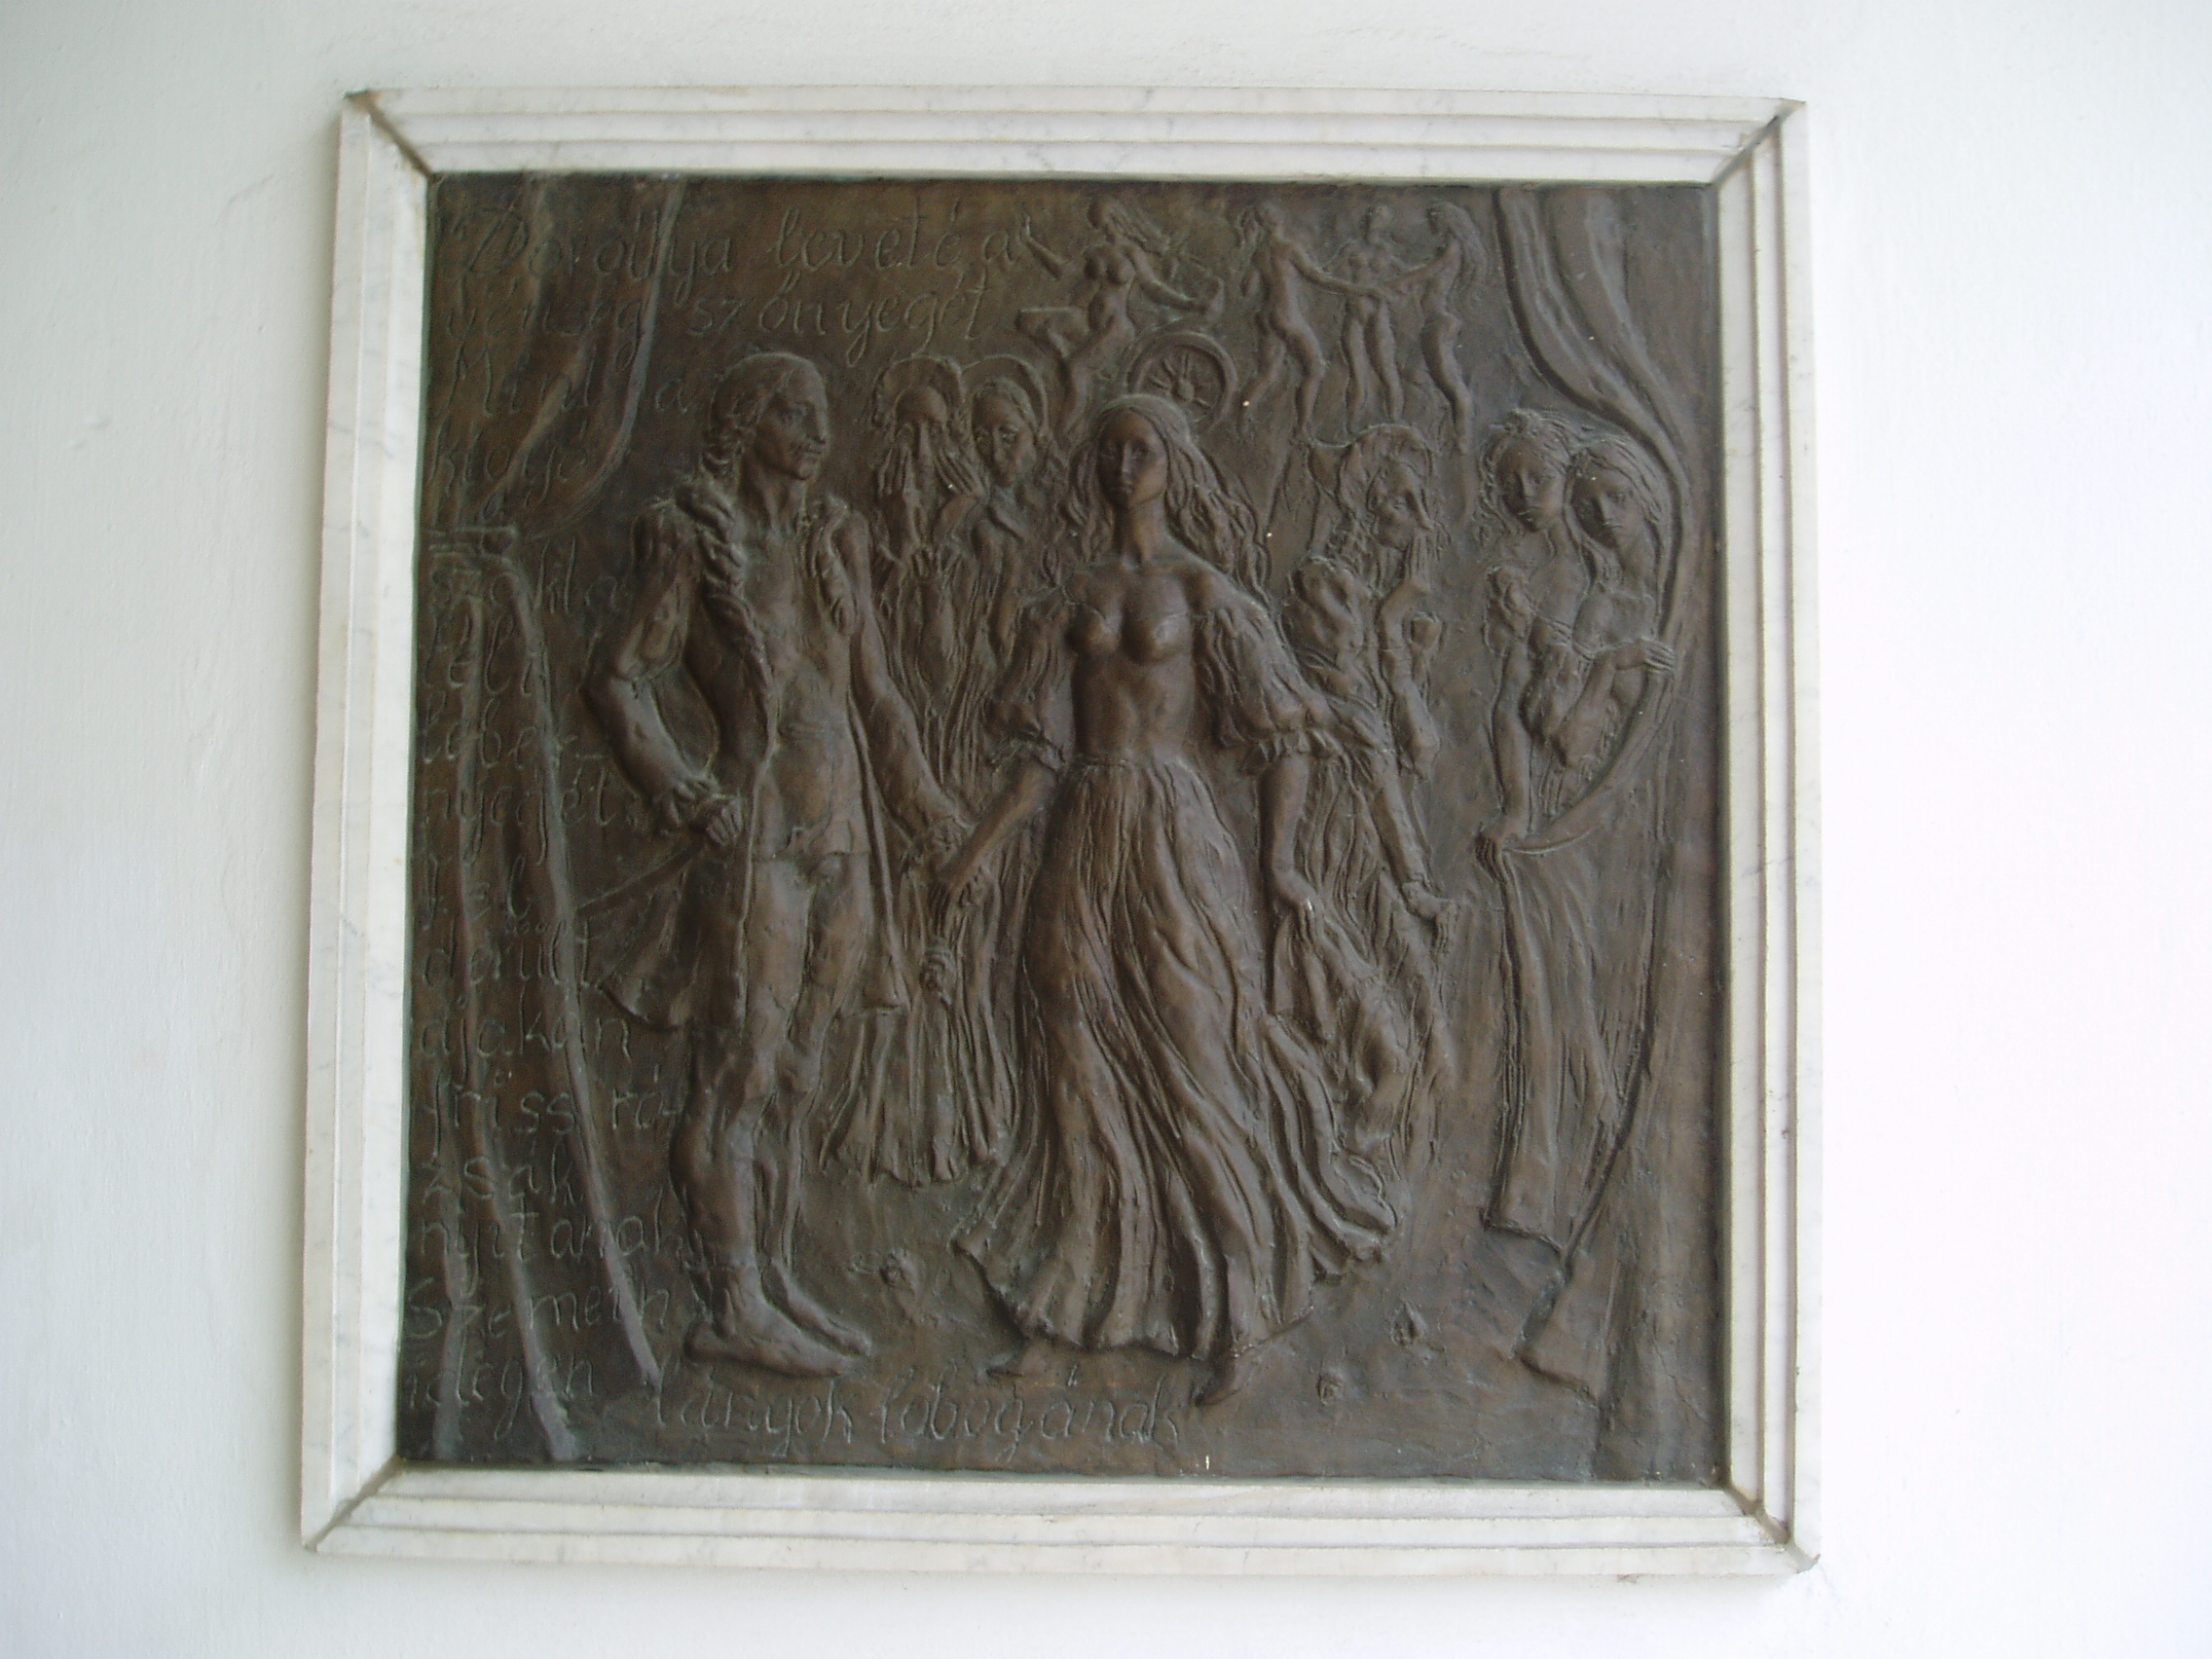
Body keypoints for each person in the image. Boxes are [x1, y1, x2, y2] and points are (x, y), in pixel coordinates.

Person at [940, 393, 1393, 1405]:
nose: (1123, 465)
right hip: (1083, 828)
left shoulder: (1204, 591)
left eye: (1141, 449)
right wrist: (976, 855)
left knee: (1196, 1063)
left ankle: (1239, 1315)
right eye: (1109, 450)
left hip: (1175, 837)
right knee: (1073, 1062)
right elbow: (1041, 755)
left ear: (1173, 462)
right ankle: (1066, 1309)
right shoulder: (1072, 594)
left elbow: (1281, 735)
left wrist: (1281, 864)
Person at [586, 351, 965, 1377]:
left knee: (798, 1077)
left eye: (820, 413)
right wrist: (678, 785)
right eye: (792, 413)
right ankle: (730, 1304)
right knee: (741, 1074)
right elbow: (617, 676)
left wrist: (926, 808)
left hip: (845, 838)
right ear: (746, 421)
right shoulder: (694, 536)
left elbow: (877, 693)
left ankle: (777, 1279)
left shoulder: (838, 539)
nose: (815, 432)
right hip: (757, 837)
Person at [1477, 418, 1675, 1252]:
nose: (1601, 516)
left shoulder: (1665, 603)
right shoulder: (1596, 606)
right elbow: (1556, 731)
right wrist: (1606, 667)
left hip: (1632, 833)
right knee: (1569, 998)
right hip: (1579, 827)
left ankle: (1607, 1179)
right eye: (1588, 503)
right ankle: (1568, 1185)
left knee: (1609, 995)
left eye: (1614, 498)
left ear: (1648, 500)